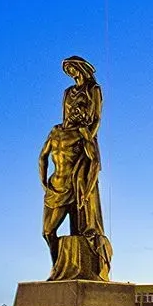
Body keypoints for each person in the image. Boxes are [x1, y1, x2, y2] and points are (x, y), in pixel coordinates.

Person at [39, 57, 112, 280]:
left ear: (80, 68)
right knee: (47, 231)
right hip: (57, 182)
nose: (70, 72)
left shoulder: (94, 89)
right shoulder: (67, 95)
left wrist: (87, 136)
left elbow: (97, 117)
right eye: (67, 69)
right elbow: (42, 157)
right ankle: (57, 269)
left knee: (81, 221)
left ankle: (85, 264)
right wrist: (44, 182)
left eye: (72, 68)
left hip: (83, 143)